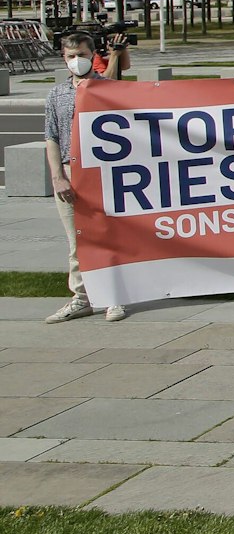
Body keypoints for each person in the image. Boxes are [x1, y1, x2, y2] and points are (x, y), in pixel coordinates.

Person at [44, 31, 127, 323]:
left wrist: (117, 55)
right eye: (71, 56)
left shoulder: (108, 88)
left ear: (94, 55)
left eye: (82, 54)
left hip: (103, 171)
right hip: (70, 171)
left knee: (109, 235)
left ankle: (114, 296)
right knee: (76, 241)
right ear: (63, 58)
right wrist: (58, 176)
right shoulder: (57, 94)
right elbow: (51, 137)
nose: (76, 61)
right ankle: (82, 297)